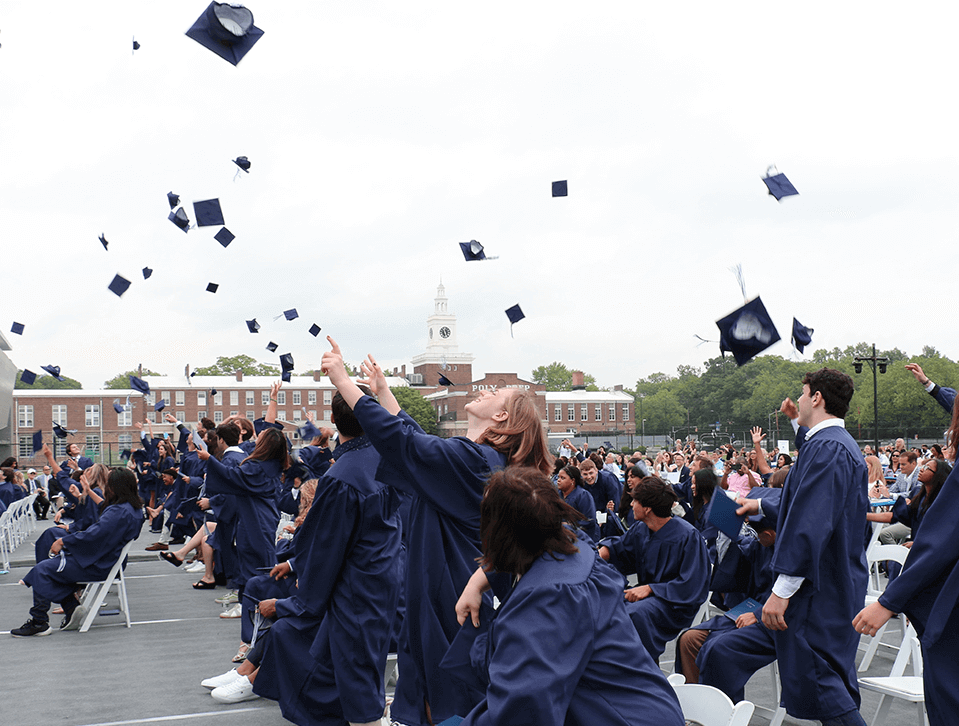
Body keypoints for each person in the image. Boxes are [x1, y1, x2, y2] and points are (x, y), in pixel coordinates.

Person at [320, 337, 551, 726]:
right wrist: (385, 391)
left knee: (446, 695)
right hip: (441, 583)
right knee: (433, 687)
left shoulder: (475, 461)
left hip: (449, 590)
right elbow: (419, 445)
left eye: (496, 393)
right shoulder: (478, 459)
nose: (486, 390)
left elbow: (406, 444)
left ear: (501, 419)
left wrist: (343, 381)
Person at [451, 467, 684, 726]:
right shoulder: (575, 550)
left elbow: (522, 710)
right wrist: (478, 581)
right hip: (645, 708)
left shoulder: (548, 599)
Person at [248, 389, 403, 723]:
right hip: (388, 584)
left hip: (354, 594)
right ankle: (250, 674)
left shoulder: (342, 476)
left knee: (353, 679)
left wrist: (297, 604)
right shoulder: (391, 459)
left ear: (332, 420)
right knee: (351, 669)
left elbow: (326, 549)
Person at [736, 368, 868, 725]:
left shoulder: (828, 449)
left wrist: (781, 590)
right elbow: (809, 502)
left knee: (822, 684)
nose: (800, 396)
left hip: (819, 588)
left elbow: (811, 522)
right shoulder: (834, 446)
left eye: (804, 390)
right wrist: (762, 505)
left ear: (817, 398)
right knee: (829, 684)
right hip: (833, 581)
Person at [854, 457, 959, 726]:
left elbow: (940, 546)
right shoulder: (920, 498)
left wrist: (891, 601)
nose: (923, 469)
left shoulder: (943, 498)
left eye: (929, 468)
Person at [12, 468, 144, 636]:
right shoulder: (133, 509)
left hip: (98, 564)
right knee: (52, 570)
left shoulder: (118, 512)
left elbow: (93, 535)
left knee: (42, 570)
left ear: (115, 487)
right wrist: (88, 492)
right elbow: (105, 511)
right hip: (109, 559)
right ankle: (71, 608)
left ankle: (39, 621)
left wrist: (63, 541)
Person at [599, 476, 710, 659]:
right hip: (648, 598)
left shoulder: (688, 536)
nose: (632, 504)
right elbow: (621, 550)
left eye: (635, 501)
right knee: (607, 604)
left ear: (647, 508)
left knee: (635, 614)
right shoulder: (641, 529)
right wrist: (599, 552)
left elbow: (692, 585)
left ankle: (645, 672)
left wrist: (651, 589)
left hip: (675, 604)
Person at [555, 464, 599, 541]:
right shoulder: (558, 495)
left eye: (563, 478)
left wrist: (570, 525)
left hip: (583, 537)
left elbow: (590, 520)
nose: (558, 480)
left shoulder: (583, 495)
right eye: (558, 477)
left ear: (572, 481)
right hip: (563, 535)